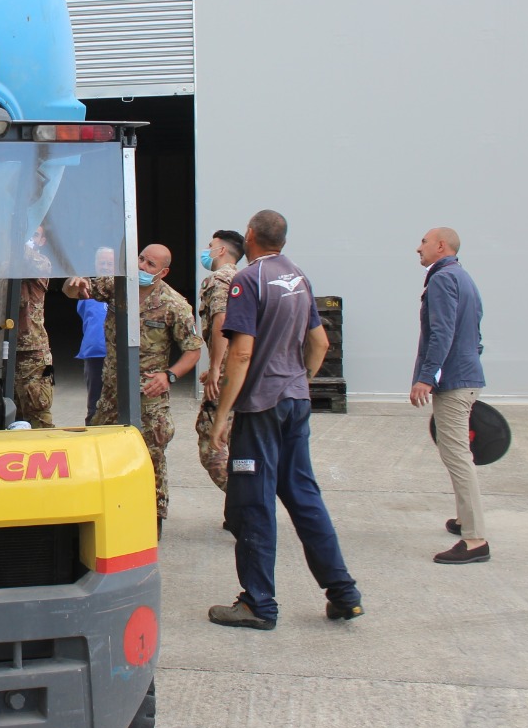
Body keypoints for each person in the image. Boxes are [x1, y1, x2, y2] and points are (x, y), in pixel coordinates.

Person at [206, 210, 362, 630]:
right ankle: (343, 593)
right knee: (304, 496)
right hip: (294, 402)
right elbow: (320, 343)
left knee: (254, 503)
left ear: (250, 235)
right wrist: (298, 381)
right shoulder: (297, 276)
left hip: (260, 409)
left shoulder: (247, 280)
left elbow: (241, 353)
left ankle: (258, 603)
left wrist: (222, 415)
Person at [64, 244, 201, 530]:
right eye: (140, 259)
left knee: (152, 454)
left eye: (150, 265)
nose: (141, 267)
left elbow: (192, 351)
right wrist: (72, 285)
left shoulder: (174, 305)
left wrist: (169, 376)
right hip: (112, 390)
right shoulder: (117, 285)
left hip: (148, 394)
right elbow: (75, 291)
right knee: (100, 448)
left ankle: (153, 517)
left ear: (163, 272)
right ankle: (102, 507)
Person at [410, 227, 490, 563]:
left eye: (424, 242)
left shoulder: (442, 279)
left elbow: (441, 332)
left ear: (441, 246)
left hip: (455, 381)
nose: (418, 248)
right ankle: (464, 520)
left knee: (457, 457)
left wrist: (426, 377)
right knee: (456, 453)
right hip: (465, 374)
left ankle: (475, 540)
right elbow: (475, 329)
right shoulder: (463, 277)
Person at [195, 229, 246, 491]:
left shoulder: (218, 279)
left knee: (213, 448)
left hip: (227, 376)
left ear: (221, 250)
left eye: (210, 245)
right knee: (238, 444)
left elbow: (222, 320)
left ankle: (245, 499)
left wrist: (215, 368)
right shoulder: (244, 279)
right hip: (242, 371)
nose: (206, 251)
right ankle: (246, 502)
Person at [15, 229, 54, 428]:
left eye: (34, 235)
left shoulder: (41, 263)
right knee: (13, 416)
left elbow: (30, 260)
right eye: (26, 234)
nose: (29, 239)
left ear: (42, 241)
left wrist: (17, 241)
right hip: (8, 349)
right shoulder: (6, 266)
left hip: (33, 353)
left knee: (38, 414)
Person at [75, 247, 117, 421]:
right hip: (95, 353)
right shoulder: (87, 288)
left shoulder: (124, 289)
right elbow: (70, 289)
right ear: (95, 264)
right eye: (102, 263)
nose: (105, 266)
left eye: (110, 263)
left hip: (118, 353)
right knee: (95, 403)